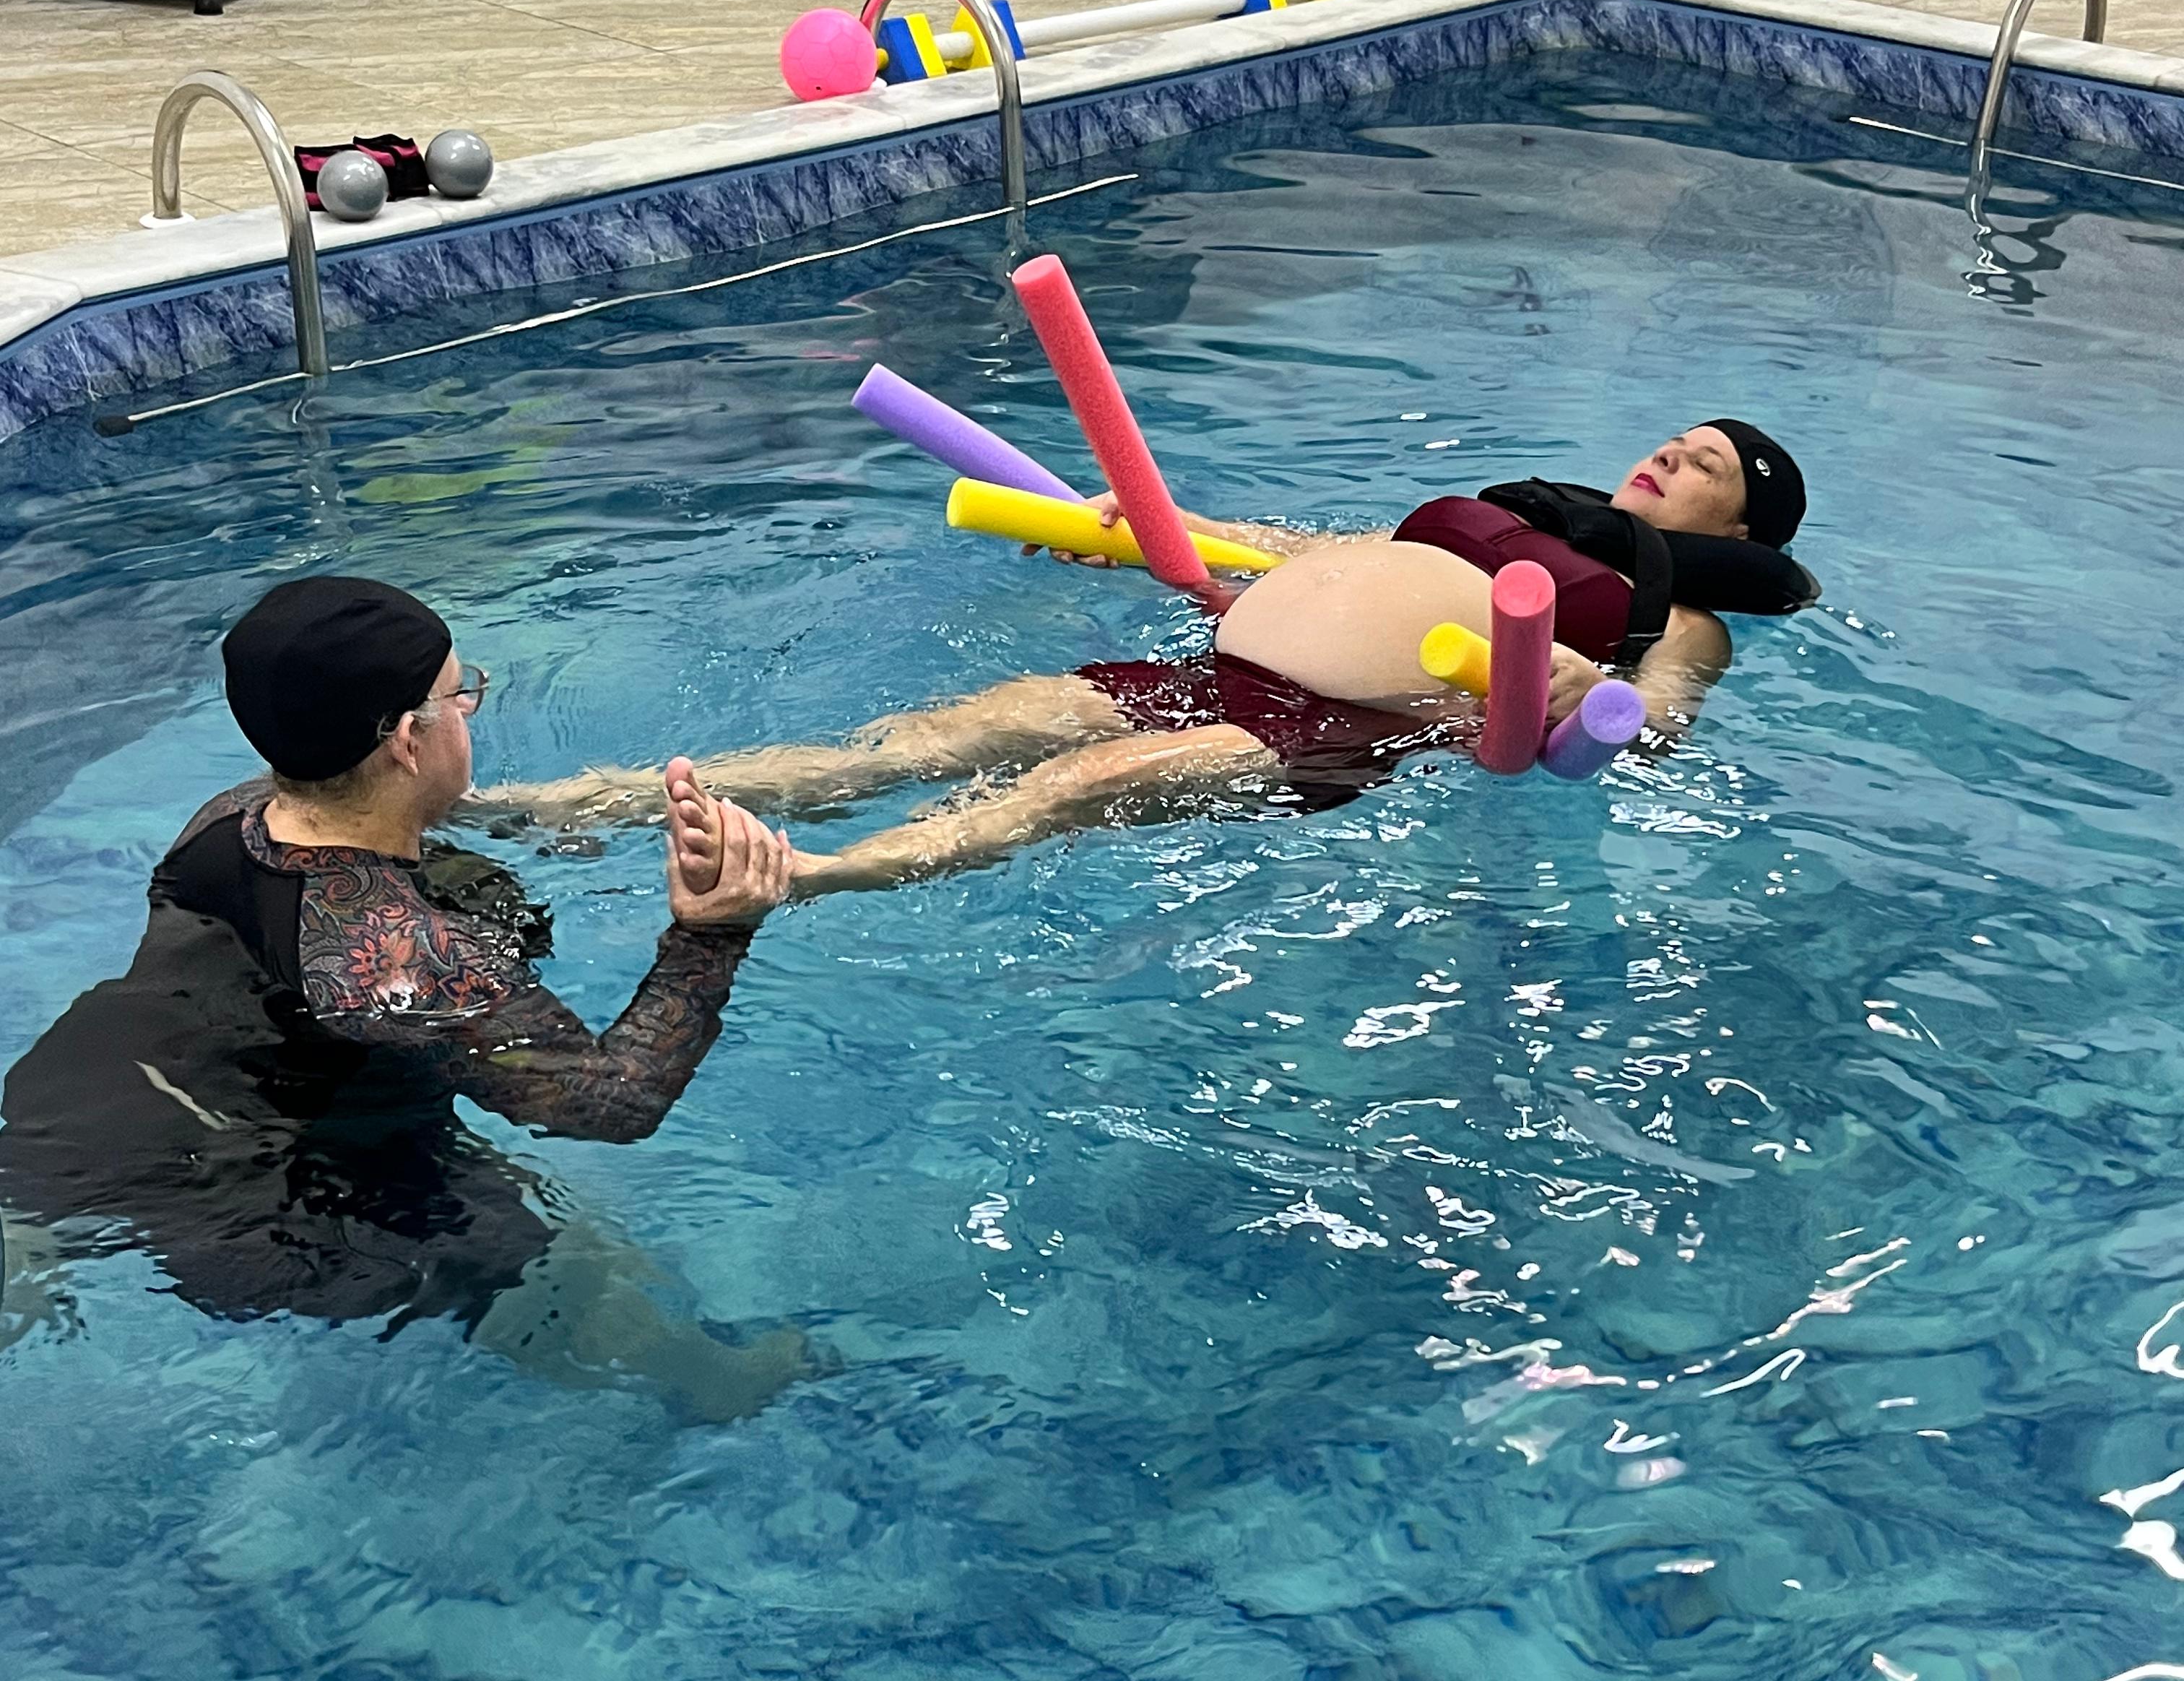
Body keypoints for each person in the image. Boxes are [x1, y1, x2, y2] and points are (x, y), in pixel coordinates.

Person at [0, 576, 804, 1422]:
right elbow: (612, 1102)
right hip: (259, 1185)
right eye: (464, 695)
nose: (472, 710)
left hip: (87, 1098)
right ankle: (714, 1386)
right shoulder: (393, 957)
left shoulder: (232, 816)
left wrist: (537, 820)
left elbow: (376, 823)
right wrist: (713, 934)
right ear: (408, 741)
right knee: (565, 1265)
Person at [485, 422, 1817, 896]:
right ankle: (577, 805)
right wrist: (1137, 533)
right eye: (1671, 436)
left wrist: (1596, 703)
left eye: (1702, 464)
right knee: (920, 739)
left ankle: (816, 878)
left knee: (1068, 789)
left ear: (1740, 527)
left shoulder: (1681, 614)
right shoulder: (1524, 510)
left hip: (1341, 725)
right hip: (1228, 655)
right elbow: (1301, 545)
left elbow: (1655, 732)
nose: (1668, 454)